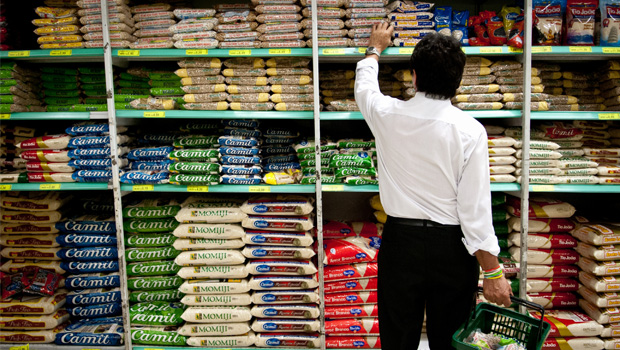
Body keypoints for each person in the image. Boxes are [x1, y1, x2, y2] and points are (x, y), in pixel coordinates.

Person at [354, 23, 513, 349]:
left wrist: (375, 49)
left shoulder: (387, 114)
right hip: (452, 251)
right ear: (458, 81)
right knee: (450, 340)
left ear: (414, 76)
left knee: (398, 339)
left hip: (401, 244)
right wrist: (493, 273)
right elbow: (475, 211)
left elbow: (365, 89)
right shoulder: (471, 131)